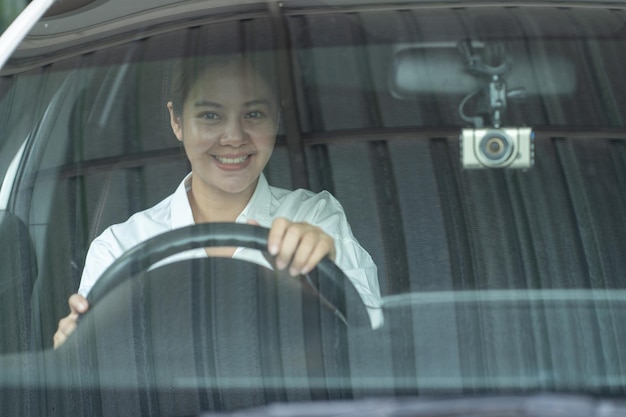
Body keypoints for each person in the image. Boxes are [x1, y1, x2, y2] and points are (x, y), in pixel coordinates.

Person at [53, 55, 382, 348]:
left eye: (253, 114)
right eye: (210, 115)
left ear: (276, 118)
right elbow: (98, 376)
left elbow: (374, 339)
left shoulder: (313, 218)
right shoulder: (119, 246)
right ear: (177, 121)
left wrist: (324, 277)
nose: (234, 137)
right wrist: (71, 353)